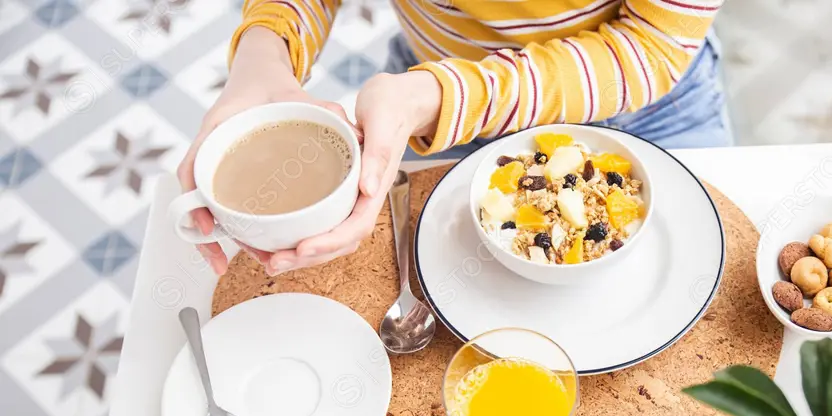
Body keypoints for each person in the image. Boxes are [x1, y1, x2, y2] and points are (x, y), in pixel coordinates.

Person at [181, 1, 728, 277]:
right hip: (427, 100)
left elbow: (652, 45)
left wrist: (441, 97)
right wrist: (263, 51)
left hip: (650, 110)